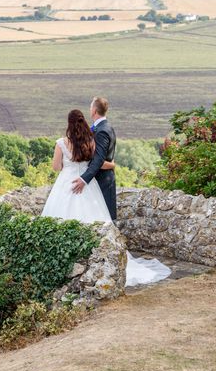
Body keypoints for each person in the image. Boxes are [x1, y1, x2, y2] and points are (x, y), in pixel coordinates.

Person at [42, 104, 171, 287]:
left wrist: (67, 165)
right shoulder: (90, 141)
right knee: (92, 219)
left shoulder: (61, 143)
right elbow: (99, 162)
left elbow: (56, 167)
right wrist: (112, 165)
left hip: (67, 184)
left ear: (68, 124)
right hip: (88, 187)